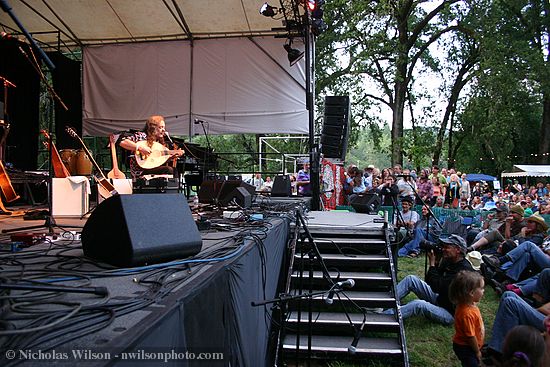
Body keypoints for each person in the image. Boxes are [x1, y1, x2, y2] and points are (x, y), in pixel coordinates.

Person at [388, 235, 474, 325]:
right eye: (443, 246)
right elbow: (431, 282)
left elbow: (436, 286)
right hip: (441, 299)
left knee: (418, 304)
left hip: (450, 313)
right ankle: (385, 302)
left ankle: (384, 316)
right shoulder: (450, 261)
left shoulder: (463, 271)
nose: (443, 249)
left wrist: (432, 265)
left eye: (447, 247)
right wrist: (437, 264)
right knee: (411, 279)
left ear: (458, 250)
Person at [119, 115, 183, 179]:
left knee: (173, 170)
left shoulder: (159, 142)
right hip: (140, 171)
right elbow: (122, 142)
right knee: (170, 170)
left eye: (164, 127)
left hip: (151, 168)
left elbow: (156, 161)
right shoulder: (142, 136)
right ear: (152, 128)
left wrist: (171, 157)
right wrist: (140, 148)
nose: (163, 130)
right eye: (160, 127)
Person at [449, 270, 485, 367]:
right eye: (481, 288)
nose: (483, 291)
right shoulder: (466, 314)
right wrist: (477, 351)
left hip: (470, 346)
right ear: (472, 293)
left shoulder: (470, 303)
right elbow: (470, 337)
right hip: (466, 347)